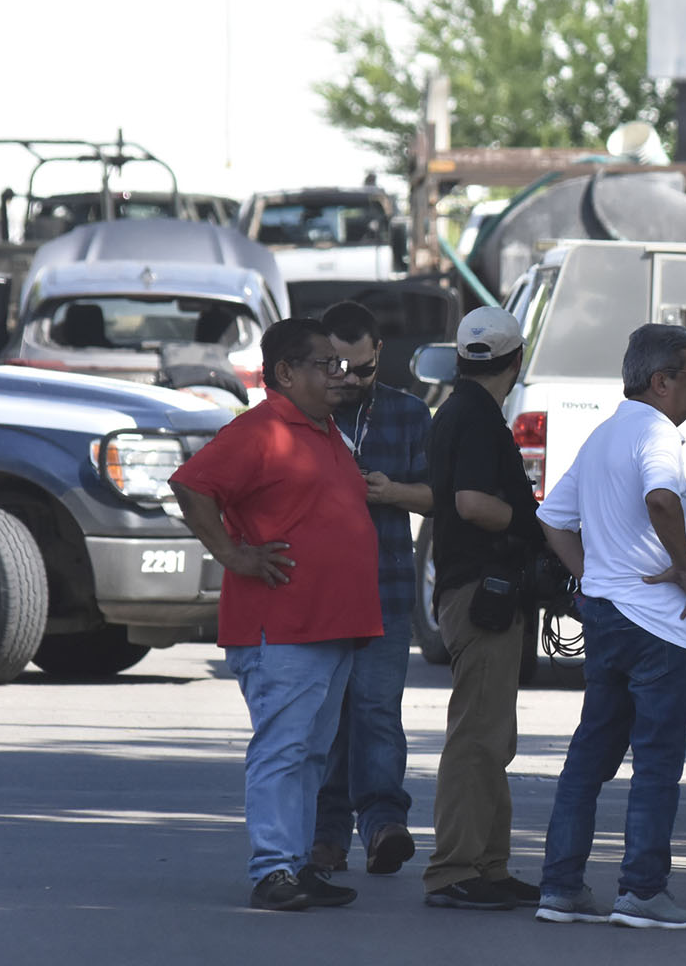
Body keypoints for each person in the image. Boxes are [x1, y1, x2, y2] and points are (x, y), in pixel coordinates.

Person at [169, 318, 382, 912]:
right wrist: (235, 555)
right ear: (285, 372)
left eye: (340, 365)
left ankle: (296, 862)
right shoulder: (263, 428)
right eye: (325, 364)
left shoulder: (323, 430)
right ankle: (272, 870)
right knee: (284, 749)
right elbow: (192, 487)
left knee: (311, 752)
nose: (338, 375)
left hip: (331, 624)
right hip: (284, 625)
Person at [533, 324, 686, 931]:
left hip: (609, 615)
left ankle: (560, 885)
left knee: (590, 755)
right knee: (657, 761)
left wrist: (592, 578)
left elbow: (553, 519)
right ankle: (641, 890)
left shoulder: (605, 434)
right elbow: (662, 500)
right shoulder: (656, 433)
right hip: (657, 624)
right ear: (660, 382)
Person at [421, 307, 547, 911]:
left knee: (492, 738)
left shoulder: (459, 411)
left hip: (475, 590)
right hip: (481, 594)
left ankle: (489, 867)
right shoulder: (475, 418)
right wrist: (536, 525)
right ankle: (454, 871)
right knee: (477, 739)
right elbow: (471, 503)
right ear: (516, 360)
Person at [309, 302, 433, 878]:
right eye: (337, 367)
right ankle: (326, 838)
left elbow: (440, 495)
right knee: (328, 720)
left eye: (361, 369)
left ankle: (384, 826)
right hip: (321, 594)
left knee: (378, 712)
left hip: (385, 588)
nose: (349, 380)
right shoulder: (305, 413)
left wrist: (393, 493)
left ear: (379, 354)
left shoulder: (408, 414)